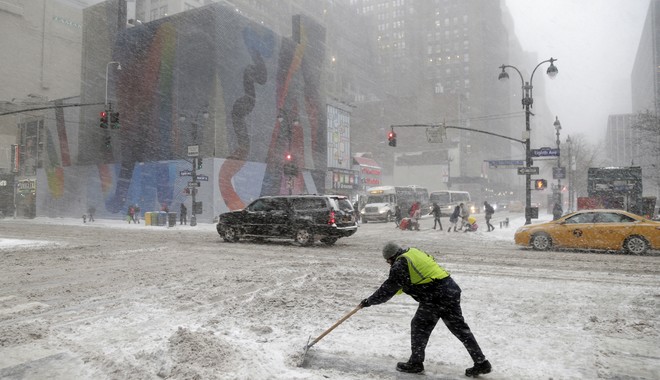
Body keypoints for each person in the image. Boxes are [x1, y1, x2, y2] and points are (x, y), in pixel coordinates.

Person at [360, 242, 491, 376]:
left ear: (392, 257)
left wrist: (369, 301)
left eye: (388, 261)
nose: (388, 263)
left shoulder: (400, 264)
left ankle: (415, 363)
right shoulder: (413, 252)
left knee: (419, 326)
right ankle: (481, 362)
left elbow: (388, 289)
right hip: (449, 289)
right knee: (460, 328)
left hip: (435, 296)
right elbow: (407, 281)